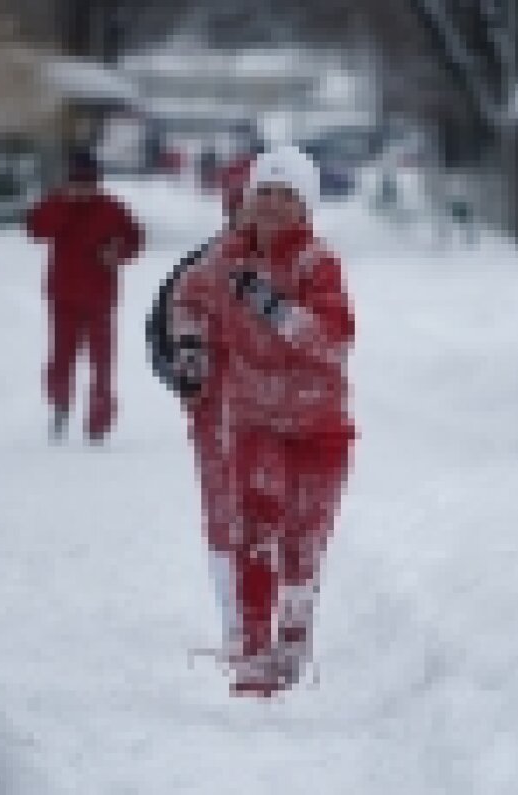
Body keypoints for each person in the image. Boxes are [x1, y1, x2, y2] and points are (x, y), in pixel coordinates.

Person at [168, 146, 355, 697]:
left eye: (285, 195)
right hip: (256, 423)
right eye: (263, 194)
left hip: (319, 427)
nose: (272, 205)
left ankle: (291, 644)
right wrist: (192, 346)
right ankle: (252, 655)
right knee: (255, 534)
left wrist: (274, 309)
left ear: (305, 206)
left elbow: (335, 339)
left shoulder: (317, 263)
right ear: (247, 201)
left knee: (303, 544)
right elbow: (188, 300)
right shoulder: (224, 260)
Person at [26, 150, 144, 442]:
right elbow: (35, 229)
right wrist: (64, 206)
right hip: (63, 295)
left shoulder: (113, 209)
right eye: (77, 182)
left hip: (100, 297)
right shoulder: (57, 204)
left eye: (88, 182)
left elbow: (135, 239)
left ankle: (99, 421)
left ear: (97, 182)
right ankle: (60, 404)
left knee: (102, 361)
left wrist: (118, 253)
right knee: (62, 355)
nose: (83, 189)